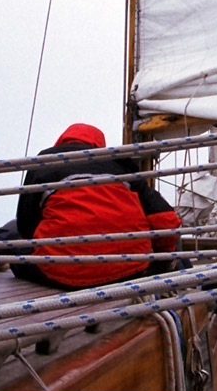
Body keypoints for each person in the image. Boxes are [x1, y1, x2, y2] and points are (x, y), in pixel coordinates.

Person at [10, 123, 183, 289]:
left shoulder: (44, 161)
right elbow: (166, 220)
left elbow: (26, 224)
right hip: (129, 269)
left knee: (15, 254)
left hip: (63, 273)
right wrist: (163, 259)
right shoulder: (121, 164)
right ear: (99, 145)